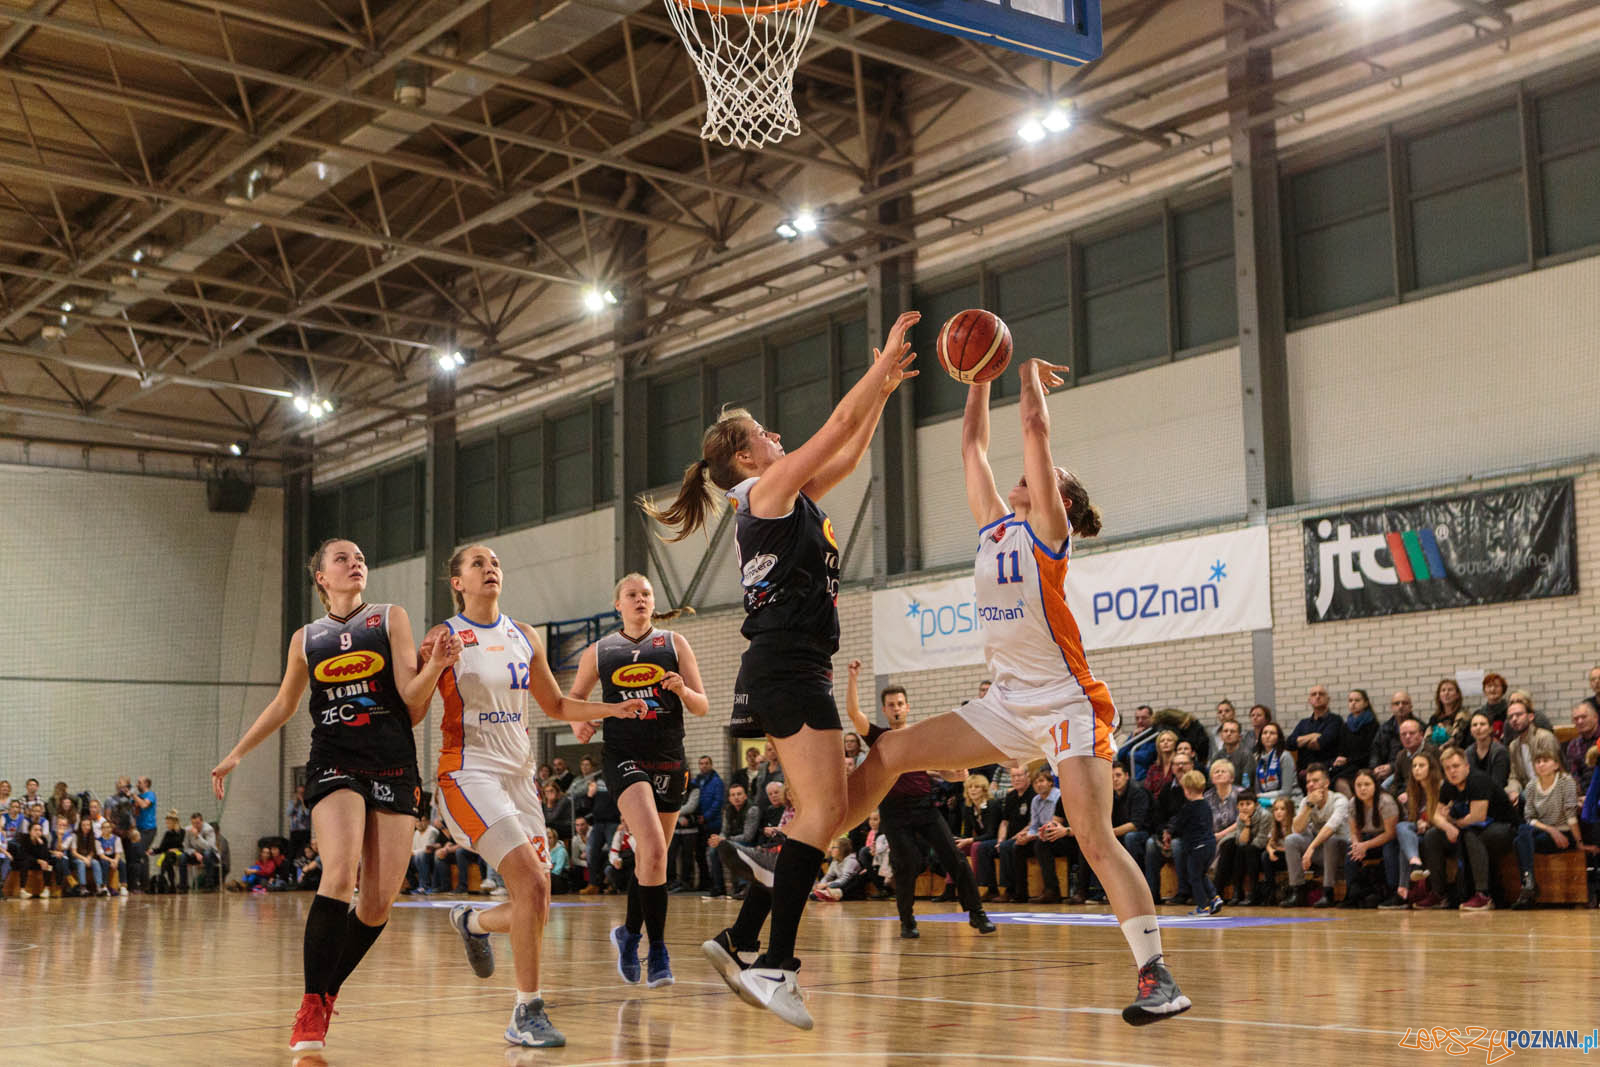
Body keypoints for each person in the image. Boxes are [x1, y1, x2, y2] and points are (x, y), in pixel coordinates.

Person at [839, 357, 1188, 1025]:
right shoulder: (995, 527)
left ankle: (1156, 974)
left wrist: (1024, 376)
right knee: (888, 751)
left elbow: (1033, 428)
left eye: (1046, 475)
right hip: (1004, 704)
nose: (1028, 474)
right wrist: (977, 375)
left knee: (1092, 836)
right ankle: (802, 850)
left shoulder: (1050, 533)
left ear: (1063, 501)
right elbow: (972, 446)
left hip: (1065, 702)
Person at [645, 311, 920, 1030]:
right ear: (745, 457)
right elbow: (836, 425)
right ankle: (776, 964)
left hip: (796, 666)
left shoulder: (786, 496)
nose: (776, 436)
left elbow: (848, 455)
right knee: (825, 815)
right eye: (764, 433)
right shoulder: (765, 494)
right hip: (786, 665)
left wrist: (884, 392)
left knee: (832, 812)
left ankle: (741, 933)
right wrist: (877, 371)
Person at [210, 538, 459, 1053]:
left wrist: (435, 667)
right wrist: (236, 754)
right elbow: (284, 704)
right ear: (321, 577)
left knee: (377, 903)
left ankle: (326, 990)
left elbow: (412, 705)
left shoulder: (389, 618)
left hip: (392, 760)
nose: (355, 563)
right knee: (340, 874)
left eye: (360, 557)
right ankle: (311, 1006)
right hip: (334, 759)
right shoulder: (307, 638)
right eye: (342, 558)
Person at [427, 545, 647, 1048]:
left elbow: (555, 704)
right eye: (478, 564)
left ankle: (473, 921)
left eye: (495, 562)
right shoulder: (444, 636)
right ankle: (527, 1011)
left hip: (519, 779)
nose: (491, 568)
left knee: (538, 899)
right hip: (468, 773)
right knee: (528, 881)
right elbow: (415, 700)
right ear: (458, 582)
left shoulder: (524, 635)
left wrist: (612, 709)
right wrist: (429, 664)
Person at [569, 572, 709, 987]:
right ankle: (658, 950)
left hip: (669, 757)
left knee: (653, 859)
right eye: (632, 594)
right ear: (618, 604)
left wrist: (682, 691)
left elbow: (701, 706)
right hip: (624, 756)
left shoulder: (674, 643)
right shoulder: (600, 650)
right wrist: (581, 722)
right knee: (651, 845)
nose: (640, 599)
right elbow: (574, 699)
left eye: (646, 593)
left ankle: (629, 934)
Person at [844, 665, 994, 937]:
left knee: (954, 857)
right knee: (906, 863)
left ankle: (977, 913)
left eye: (900, 704)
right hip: (894, 811)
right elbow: (854, 714)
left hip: (924, 806)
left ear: (907, 707)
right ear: (885, 709)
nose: (896, 708)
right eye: (891, 705)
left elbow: (942, 770)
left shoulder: (919, 736)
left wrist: (957, 775)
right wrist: (853, 678)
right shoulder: (879, 738)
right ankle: (907, 921)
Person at [1429, 746, 1534, 910]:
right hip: (1477, 828)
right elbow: (1435, 815)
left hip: (1507, 828)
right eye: (1447, 768)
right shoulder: (1449, 785)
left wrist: (1451, 821)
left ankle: (1483, 895)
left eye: (1456, 766)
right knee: (1432, 835)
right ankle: (1439, 894)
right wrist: (1447, 827)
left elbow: (1477, 817)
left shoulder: (1478, 780)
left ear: (1466, 766)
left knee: (1472, 835)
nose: (1452, 771)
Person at [1282, 765, 1350, 908]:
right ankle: (1298, 891)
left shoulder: (1340, 800)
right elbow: (1296, 829)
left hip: (1342, 852)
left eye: (1315, 781)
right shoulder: (1307, 801)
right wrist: (1308, 806)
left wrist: (1311, 848)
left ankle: (1328, 893)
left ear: (1326, 783)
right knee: (1291, 840)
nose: (1310, 785)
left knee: (1331, 840)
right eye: (1308, 781)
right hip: (1320, 851)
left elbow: (1331, 827)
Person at [1342, 769, 1398, 908]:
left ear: (1375, 785)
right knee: (1351, 851)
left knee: (1389, 850)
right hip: (1368, 838)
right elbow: (1354, 832)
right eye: (1359, 785)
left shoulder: (1385, 801)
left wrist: (1365, 845)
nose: (1362, 788)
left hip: (1388, 838)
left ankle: (1393, 892)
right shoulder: (1353, 803)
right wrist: (1357, 845)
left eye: (1367, 784)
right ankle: (1352, 893)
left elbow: (1390, 833)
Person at [1169, 771, 1220, 915]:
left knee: (1194, 877)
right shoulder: (1206, 805)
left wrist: (1170, 830)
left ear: (1187, 790)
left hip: (1197, 847)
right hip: (1210, 845)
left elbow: (1179, 825)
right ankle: (1214, 897)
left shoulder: (1189, 808)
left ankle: (1203, 906)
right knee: (1201, 874)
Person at [1215, 789, 1268, 906]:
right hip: (1249, 847)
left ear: (1256, 805)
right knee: (1232, 846)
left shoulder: (1265, 815)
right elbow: (1241, 841)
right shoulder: (1241, 818)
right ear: (1237, 807)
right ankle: (1235, 891)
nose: (1244, 807)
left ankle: (1253, 893)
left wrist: (1247, 829)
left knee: (1247, 850)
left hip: (1263, 848)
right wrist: (1247, 824)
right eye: (1241, 804)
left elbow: (1261, 842)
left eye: (1248, 804)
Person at [954, 773, 1002, 901]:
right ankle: (950, 889)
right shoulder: (968, 807)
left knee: (976, 846)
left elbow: (992, 833)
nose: (973, 790)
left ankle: (978, 888)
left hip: (996, 839)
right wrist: (960, 839)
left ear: (984, 789)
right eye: (970, 787)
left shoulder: (992, 805)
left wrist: (969, 840)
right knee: (955, 847)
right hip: (981, 840)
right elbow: (967, 833)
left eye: (977, 787)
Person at [707, 782, 760, 899]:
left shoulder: (752, 809)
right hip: (732, 841)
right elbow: (724, 831)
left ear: (745, 796)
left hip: (749, 842)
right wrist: (718, 839)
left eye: (739, 794)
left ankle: (742, 886)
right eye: (733, 795)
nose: (736, 797)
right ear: (729, 798)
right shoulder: (728, 809)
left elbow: (748, 836)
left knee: (735, 848)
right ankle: (719, 887)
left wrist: (725, 840)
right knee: (712, 850)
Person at [1505, 698, 1560, 803]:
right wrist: (1513, 791)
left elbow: (1552, 773)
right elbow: (1514, 776)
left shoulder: (1544, 737)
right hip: (1528, 792)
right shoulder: (1513, 746)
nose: (1514, 719)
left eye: (1518, 715)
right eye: (1510, 717)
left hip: (1549, 791)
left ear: (1530, 717)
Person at [1288, 686, 1344, 787]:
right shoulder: (1303, 723)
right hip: (1304, 774)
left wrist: (1302, 741)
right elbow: (1290, 743)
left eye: (1321, 694)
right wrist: (1313, 735)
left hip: (1327, 773)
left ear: (1328, 699)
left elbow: (1320, 743)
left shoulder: (1335, 720)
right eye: (1314, 694)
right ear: (1309, 700)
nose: (1317, 696)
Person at [1331, 689, 1378, 795]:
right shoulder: (1346, 726)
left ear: (1366, 703)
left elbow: (1370, 752)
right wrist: (1340, 759)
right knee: (1329, 775)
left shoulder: (1372, 725)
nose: (1353, 703)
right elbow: (1342, 749)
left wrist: (1347, 760)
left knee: (1339, 781)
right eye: (1350, 700)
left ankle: (1353, 803)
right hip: (1348, 765)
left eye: (1357, 700)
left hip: (1363, 765)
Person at [1369, 691, 1417, 785]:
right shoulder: (1384, 728)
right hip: (1383, 772)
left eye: (1404, 703)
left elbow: (1415, 756)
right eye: (1396, 703)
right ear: (1391, 707)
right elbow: (1375, 751)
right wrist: (1375, 768)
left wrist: (1392, 767)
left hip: (1408, 773)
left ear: (1411, 706)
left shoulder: (1419, 728)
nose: (1400, 706)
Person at [1250, 722, 1295, 805]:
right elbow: (1257, 788)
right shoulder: (1256, 757)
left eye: (1272, 733)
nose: (1268, 736)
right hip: (1263, 801)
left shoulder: (1285, 756)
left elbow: (1286, 791)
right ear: (1260, 737)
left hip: (1288, 800)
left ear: (1278, 737)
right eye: (1265, 733)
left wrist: (1260, 796)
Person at [1464, 712, 1510, 789]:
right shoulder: (1467, 753)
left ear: (1491, 729)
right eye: (1474, 725)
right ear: (1471, 731)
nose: (1478, 728)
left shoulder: (1500, 752)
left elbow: (1498, 783)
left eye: (1482, 724)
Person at [1427, 678, 1470, 749]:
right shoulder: (1434, 718)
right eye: (1443, 690)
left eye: (1450, 690)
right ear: (1439, 696)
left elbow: (1460, 737)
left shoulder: (1464, 715)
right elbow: (1428, 739)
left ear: (1457, 695)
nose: (1446, 693)